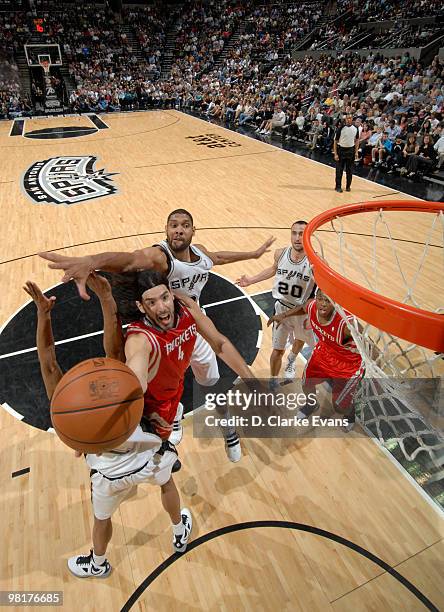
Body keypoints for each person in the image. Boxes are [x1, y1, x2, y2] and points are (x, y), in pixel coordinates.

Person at [39, 209, 275, 461]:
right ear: (166, 229)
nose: (179, 230)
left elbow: (217, 258)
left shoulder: (199, 261)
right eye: (173, 225)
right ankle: (173, 419)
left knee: (212, 387)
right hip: (161, 336)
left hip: (191, 324)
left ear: (193, 231)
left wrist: (254, 254)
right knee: (165, 389)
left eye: (185, 225)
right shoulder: (161, 257)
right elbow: (130, 261)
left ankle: (228, 429)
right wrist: (92, 261)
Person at [23, 274, 192, 578]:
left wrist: (43, 314)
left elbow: (48, 362)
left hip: (108, 472)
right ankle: (179, 529)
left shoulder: (67, 410)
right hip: (147, 454)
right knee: (166, 483)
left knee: (101, 520)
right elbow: (112, 345)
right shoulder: (121, 390)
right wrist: (105, 297)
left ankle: (98, 563)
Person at [268, 289, 364, 429]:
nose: (323, 304)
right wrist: (283, 315)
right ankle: (311, 404)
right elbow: (303, 307)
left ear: (335, 304)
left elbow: (369, 347)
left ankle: (349, 414)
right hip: (324, 353)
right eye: (320, 299)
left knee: (339, 407)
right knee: (306, 383)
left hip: (347, 364)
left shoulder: (347, 324)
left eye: (327, 301)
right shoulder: (312, 306)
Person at [237, 221, 315, 387]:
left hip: (301, 311)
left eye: (301, 233)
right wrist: (251, 280)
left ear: (309, 236)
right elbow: (273, 269)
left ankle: (291, 360)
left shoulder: (315, 262)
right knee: (277, 350)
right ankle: (273, 379)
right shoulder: (281, 254)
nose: (297, 238)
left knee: (299, 340)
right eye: (294, 233)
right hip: (281, 308)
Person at [333, 114, 359, 193]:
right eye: (347, 118)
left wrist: (356, 151)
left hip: (351, 150)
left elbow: (357, 140)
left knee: (350, 171)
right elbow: (335, 141)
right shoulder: (341, 128)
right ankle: (338, 187)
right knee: (339, 170)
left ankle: (348, 186)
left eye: (350, 118)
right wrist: (335, 153)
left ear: (352, 119)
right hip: (341, 150)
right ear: (345, 119)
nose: (348, 119)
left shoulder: (355, 129)